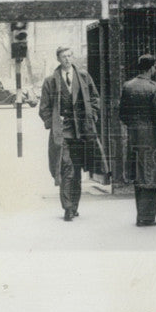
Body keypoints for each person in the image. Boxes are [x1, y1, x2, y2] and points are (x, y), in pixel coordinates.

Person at [39, 46, 101, 221]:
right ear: (58, 59)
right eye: (63, 56)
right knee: (67, 168)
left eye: (69, 55)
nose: (67, 59)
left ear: (72, 57)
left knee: (78, 169)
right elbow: (43, 108)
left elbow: (95, 98)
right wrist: (53, 123)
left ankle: (74, 205)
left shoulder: (83, 76)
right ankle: (67, 207)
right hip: (62, 132)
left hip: (81, 131)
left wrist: (93, 114)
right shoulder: (50, 80)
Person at [118, 53, 156, 227]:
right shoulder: (155, 88)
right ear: (151, 68)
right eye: (155, 66)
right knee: (150, 173)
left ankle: (140, 214)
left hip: (133, 134)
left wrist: (133, 125)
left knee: (138, 173)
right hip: (150, 134)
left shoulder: (127, 86)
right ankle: (148, 217)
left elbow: (122, 113)